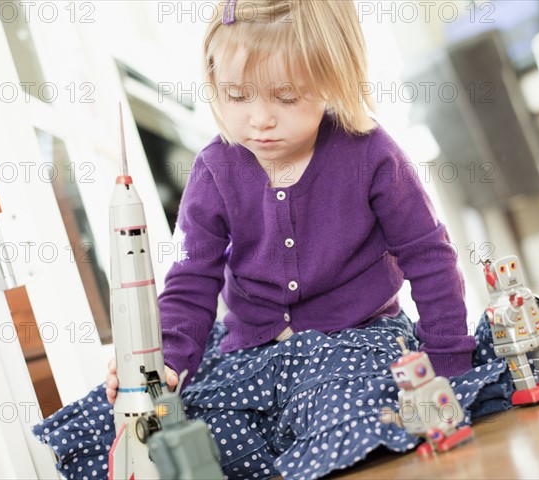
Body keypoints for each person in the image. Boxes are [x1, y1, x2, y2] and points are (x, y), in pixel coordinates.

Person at [102, 1, 504, 479]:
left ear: (334, 80)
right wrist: (164, 363)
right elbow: (190, 282)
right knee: (177, 434)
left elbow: (428, 256)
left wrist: (447, 360)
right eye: (235, 96)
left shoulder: (371, 153)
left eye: (286, 97)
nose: (259, 120)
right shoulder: (214, 169)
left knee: (350, 411)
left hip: (356, 345)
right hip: (252, 356)